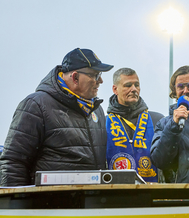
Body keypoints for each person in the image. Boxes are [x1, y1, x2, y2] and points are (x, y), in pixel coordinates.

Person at [0, 48, 113, 186]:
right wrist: (17, 204)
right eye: (95, 75)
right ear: (75, 77)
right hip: (49, 204)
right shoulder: (36, 105)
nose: (100, 80)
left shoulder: (97, 110)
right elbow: (13, 163)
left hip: (90, 202)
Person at [106, 68, 164, 182]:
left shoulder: (157, 119)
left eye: (136, 85)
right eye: (128, 85)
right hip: (113, 192)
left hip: (153, 190)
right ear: (115, 89)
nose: (134, 89)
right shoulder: (104, 123)